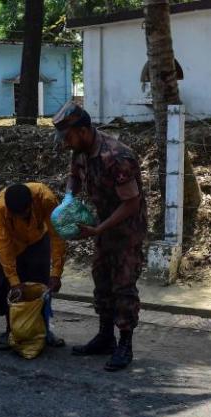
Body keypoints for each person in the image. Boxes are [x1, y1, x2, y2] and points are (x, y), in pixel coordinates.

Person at [53, 102, 147, 371]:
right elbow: (74, 176)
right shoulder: (81, 151)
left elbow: (130, 203)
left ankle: (125, 345)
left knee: (123, 286)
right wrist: (69, 195)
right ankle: (105, 337)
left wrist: (99, 229)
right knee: (101, 280)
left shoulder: (116, 156)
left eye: (68, 137)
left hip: (126, 230)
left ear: (83, 130)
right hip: (102, 225)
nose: (65, 144)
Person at [0, 182, 66, 351]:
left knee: (42, 288)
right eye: (15, 216)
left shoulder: (46, 199)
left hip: (37, 240)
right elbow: (3, 245)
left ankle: (45, 331)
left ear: (32, 204)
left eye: (23, 214)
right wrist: (14, 281)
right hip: (12, 244)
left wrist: (56, 272)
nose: (19, 218)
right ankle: (11, 331)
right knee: (4, 288)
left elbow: (57, 236)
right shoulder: (0, 208)